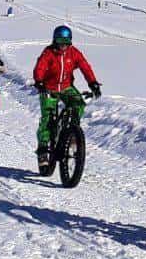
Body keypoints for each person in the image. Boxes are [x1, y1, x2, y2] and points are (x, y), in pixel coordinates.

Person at [32, 25, 102, 163]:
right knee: (48, 118)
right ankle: (43, 149)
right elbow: (40, 67)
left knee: (79, 103)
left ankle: (72, 132)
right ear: (54, 40)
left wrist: (92, 83)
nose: (63, 46)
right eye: (59, 41)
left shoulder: (73, 52)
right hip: (49, 88)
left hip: (66, 87)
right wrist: (39, 81)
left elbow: (85, 66)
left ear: (70, 42)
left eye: (66, 42)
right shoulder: (48, 53)